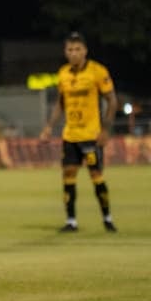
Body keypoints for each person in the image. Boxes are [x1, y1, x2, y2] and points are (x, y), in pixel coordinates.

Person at [39, 31, 118, 232]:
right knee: (68, 173)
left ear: (85, 51)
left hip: (91, 136)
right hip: (70, 135)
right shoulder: (63, 73)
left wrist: (106, 130)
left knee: (96, 175)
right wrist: (49, 127)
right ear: (65, 52)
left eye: (77, 49)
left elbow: (112, 101)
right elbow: (60, 103)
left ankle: (107, 219)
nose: (73, 53)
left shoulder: (97, 71)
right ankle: (71, 222)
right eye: (69, 49)